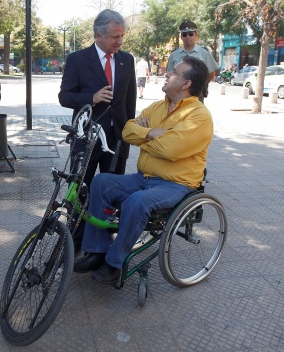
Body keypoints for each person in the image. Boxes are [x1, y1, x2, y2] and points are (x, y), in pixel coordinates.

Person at [73, 56, 213, 284]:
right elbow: (127, 130)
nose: (168, 74)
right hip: (143, 177)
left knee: (137, 201)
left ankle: (114, 263)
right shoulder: (158, 106)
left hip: (176, 184)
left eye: (175, 72)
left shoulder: (198, 116)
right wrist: (151, 133)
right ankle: (97, 251)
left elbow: (170, 149)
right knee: (101, 183)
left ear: (186, 84)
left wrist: (147, 136)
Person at [58, 9, 136, 250]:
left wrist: (128, 132)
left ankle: (103, 238)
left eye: (122, 36)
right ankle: (77, 240)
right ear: (98, 35)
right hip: (86, 138)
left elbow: (129, 99)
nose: (119, 41)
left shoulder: (127, 59)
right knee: (82, 189)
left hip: (116, 140)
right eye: (114, 36)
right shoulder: (78, 59)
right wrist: (91, 98)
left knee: (112, 189)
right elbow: (65, 97)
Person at [166, 20, 219, 104]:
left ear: (195, 35)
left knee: (196, 116)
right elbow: (169, 74)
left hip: (196, 94)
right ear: (181, 37)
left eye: (190, 34)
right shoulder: (174, 54)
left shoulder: (204, 52)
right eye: (184, 34)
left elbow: (211, 74)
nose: (187, 37)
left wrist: (200, 86)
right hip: (178, 93)